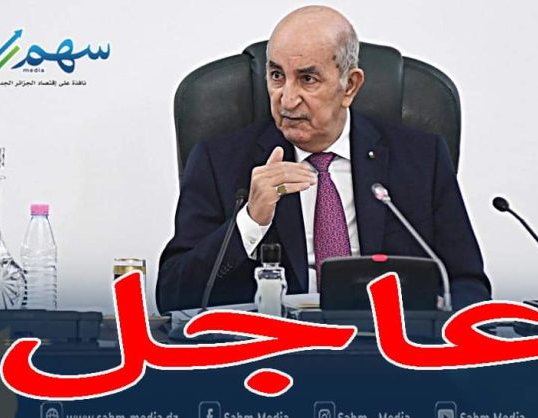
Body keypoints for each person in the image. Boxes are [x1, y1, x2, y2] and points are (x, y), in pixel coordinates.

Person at [156, 5, 490, 313]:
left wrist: (437, 320)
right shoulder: (220, 161)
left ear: (350, 86)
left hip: (387, 341)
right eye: (276, 76)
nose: (287, 99)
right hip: (277, 346)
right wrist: (251, 221)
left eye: (307, 79)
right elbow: (174, 295)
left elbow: (467, 284)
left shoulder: (421, 158)